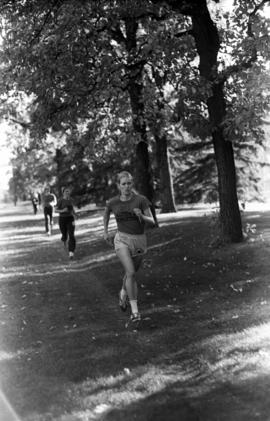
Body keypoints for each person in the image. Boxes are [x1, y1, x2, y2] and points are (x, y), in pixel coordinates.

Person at [103, 171, 155, 326]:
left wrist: (142, 216)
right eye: (123, 184)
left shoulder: (141, 200)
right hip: (122, 239)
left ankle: (123, 292)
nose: (126, 186)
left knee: (130, 273)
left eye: (129, 183)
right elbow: (106, 214)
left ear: (132, 184)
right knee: (131, 272)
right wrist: (106, 232)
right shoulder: (113, 202)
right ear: (118, 186)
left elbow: (152, 221)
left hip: (139, 241)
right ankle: (135, 312)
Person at [55, 187, 76, 259]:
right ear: (63, 192)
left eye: (68, 191)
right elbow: (55, 210)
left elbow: (72, 209)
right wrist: (63, 211)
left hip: (70, 219)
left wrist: (75, 214)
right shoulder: (60, 200)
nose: (68, 193)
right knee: (64, 234)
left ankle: (71, 252)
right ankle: (64, 238)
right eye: (66, 191)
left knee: (71, 234)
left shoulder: (71, 200)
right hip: (62, 219)